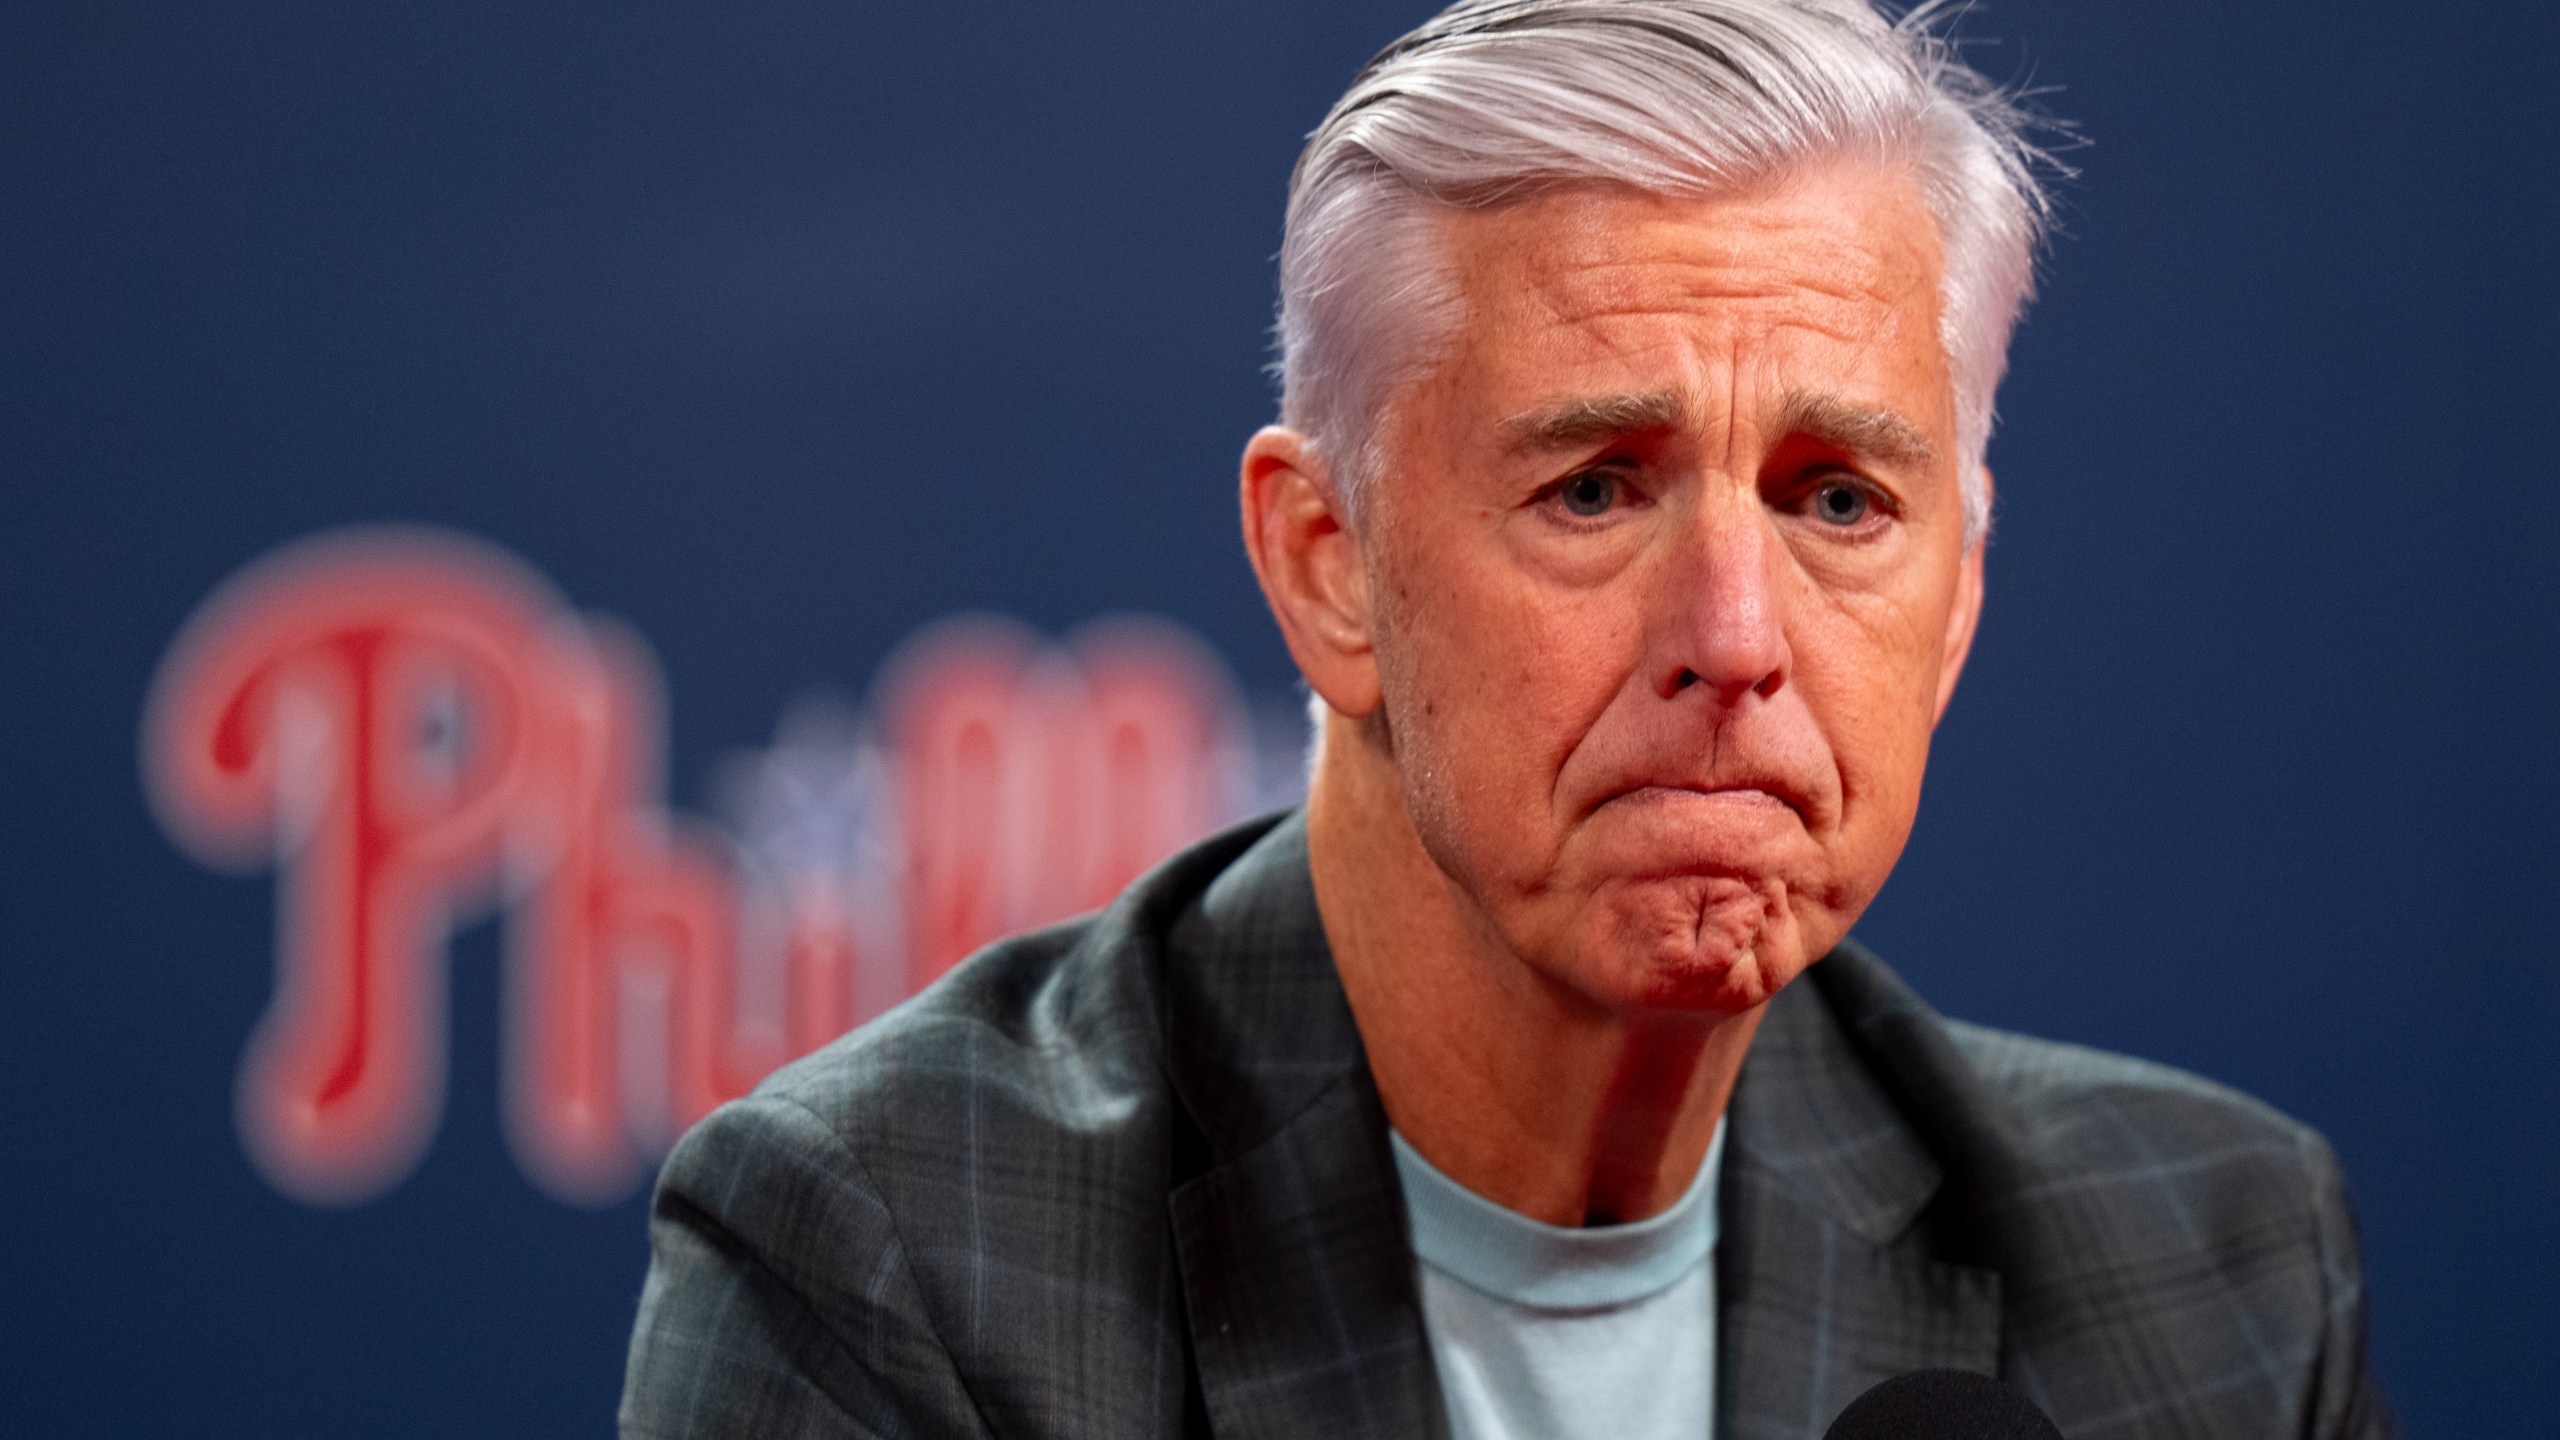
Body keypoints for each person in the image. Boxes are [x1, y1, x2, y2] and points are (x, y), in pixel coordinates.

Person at [620, 2, 2397, 1436]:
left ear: (1959, 610)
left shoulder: (2218, 1274)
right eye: (1598, 490)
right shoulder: (895, 1261)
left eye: (1840, 501)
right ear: (1330, 569)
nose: (1734, 637)